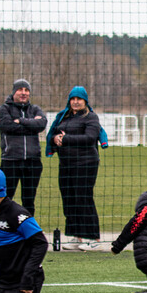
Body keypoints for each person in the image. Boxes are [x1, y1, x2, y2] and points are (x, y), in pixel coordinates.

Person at [46, 86, 108, 249]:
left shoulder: (91, 117)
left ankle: (93, 239)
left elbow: (89, 138)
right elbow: (54, 133)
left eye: (79, 99)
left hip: (85, 164)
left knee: (83, 198)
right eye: (73, 99)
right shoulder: (63, 116)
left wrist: (65, 139)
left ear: (85, 101)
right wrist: (55, 139)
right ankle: (77, 236)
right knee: (69, 200)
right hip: (66, 164)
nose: (75, 102)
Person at [0, 78, 47, 216]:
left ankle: (28, 230)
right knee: (5, 198)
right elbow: (8, 127)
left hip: (33, 161)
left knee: (29, 200)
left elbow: (42, 124)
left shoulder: (35, 109)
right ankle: (3, 227)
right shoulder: (4, 109)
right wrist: (31, 126)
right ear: (14, 92)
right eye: (20, 89)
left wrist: (22, 121)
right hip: (10, 160)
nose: (23, 93)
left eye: (26, 90)